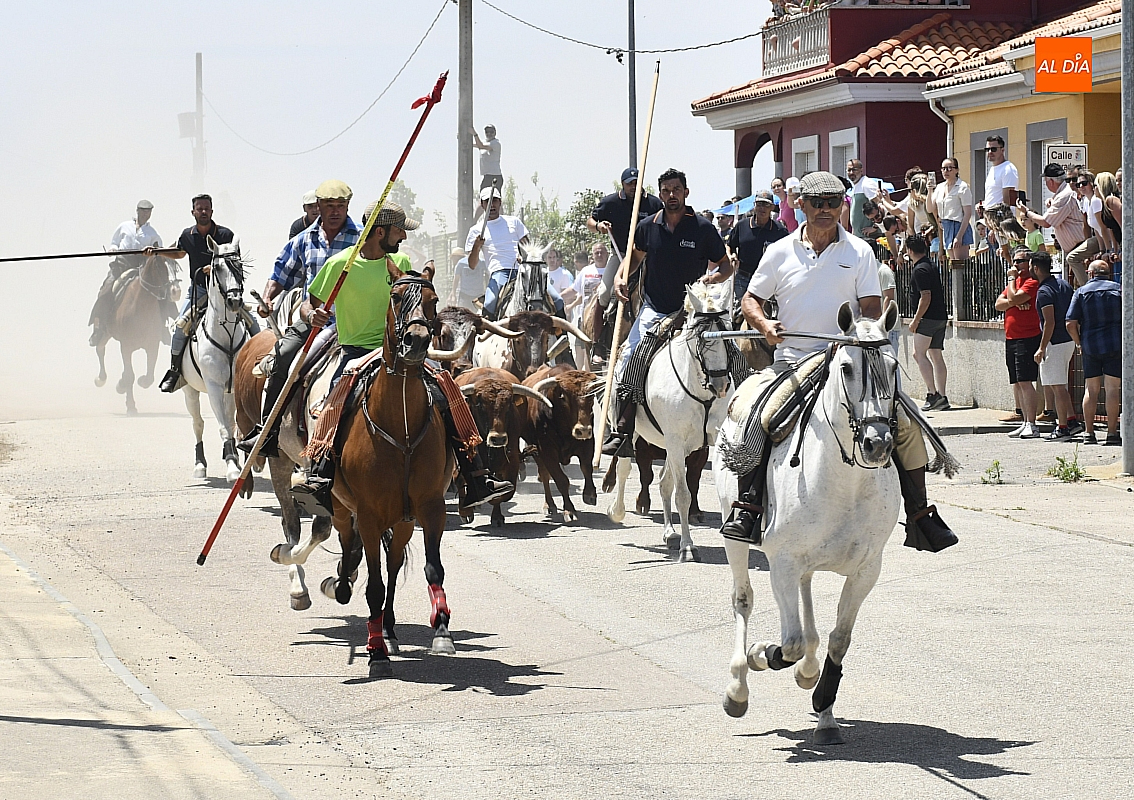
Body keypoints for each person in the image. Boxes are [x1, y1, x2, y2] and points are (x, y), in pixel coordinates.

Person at [720, 170, 956, 553]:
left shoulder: (860, 251)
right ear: (801, 205)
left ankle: (920, 515)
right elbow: (751, 299)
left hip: (845, 360)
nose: (825, 210)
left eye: (833, 203)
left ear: (842, 205)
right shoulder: (778, 251)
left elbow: (871, 308)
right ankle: (748, 506)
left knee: (908, 423)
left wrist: (855, 333)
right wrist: (764, 325)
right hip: (793, 360)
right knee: (758, 415)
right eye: (817, 203)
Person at [261, 201, 514, 517]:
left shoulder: (401, 262)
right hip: (353, 350)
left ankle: (476, 476)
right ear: (379, 232)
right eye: (398, 231)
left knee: (447, 389)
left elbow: (415, 302)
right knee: (332, 399)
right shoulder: (340, 265)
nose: (403, 238)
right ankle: (319, 475)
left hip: (399, 351)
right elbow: (308, 304)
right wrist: (312, 314)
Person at [601, 168, 732, 456]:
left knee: (729, 352)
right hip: (656, 309)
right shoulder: (648, 226)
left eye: (676, 189)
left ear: (686, 192)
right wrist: (620, 278)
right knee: (630, 357)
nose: (671, 195)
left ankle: (735, 422)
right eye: (666, 190)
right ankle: (623, 428)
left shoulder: (702, 228)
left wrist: (713, 278)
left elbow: (725, 265)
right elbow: (632, 260)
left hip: (693, 310)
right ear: (660, 195)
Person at [158, 194, 247, 393]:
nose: (203, 212)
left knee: (253, 323)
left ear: (212, 211)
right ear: (193, 212)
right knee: (180, 327)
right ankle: (175, 372)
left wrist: (214, 268)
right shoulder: (188, 235)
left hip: (226, 293)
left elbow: (236, 264)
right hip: (198, 291)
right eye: (199, 209)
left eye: (206, 208)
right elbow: (179, 253)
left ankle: (262, 362)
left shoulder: (226, 235)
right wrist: (157, 252)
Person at [263, 179, 361, 310]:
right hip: (311, 317)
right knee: (275, 330)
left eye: (341, 205)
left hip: (352, 322)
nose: (335, 212)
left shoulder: (362, 239)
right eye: (330, 206)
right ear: (319, 206)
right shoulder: (303, 239)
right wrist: (267, 298)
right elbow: (281, 274)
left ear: (347, 205)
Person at [89, 200, 164, 346]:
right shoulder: (124, 226)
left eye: (148, 211)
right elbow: (115, 242)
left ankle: (164, 328)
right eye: (143, 211)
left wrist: (152, 252)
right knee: (106, 289)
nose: (145, 214)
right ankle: (99, 327)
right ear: (137, 211)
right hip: (121, 265)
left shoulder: (153, 233)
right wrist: (112, 249)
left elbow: (159, 252)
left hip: (141, 268)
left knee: (162, 290)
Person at [1066, 259, 1122, 445]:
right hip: (1115, 344)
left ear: (1090, 273)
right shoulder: (1119, 289)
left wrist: (1079, 343)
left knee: (1091, 388)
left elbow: (1070, 323)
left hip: (1090, 345)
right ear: (1108, 273)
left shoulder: (1081, 292)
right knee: (1113, 388)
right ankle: (1112, 432)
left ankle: (1089, 433)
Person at [587, 167, 665, 303]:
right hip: (620, 254)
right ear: (622, 184)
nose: (633, 187)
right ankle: (596, 324)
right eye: (630, 183)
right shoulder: (610, 202)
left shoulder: (654, 204)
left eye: (637, 183)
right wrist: (598, 227)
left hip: (648, 256)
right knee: (604, 294)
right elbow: (590, 222)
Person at [1028, 251, 1078, 441]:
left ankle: (1063, 427)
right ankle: (1071, 421)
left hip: (1054, 342)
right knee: (1061, 385)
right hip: (1068, 340)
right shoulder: (1064, 284)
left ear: (1036, 268)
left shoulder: (1043, 291)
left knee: (1058, 387)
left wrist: (1041, 347)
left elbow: (1049, 322)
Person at [994, 247, 1042, 438]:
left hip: (1027, 337)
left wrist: (1012, 290)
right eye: (1014, 261)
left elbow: (1012, 297)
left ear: (1030, 263)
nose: (1015, 265)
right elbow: (999, 303)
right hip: (1011, 337)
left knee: (1026, 380)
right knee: (1018, 382)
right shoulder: (1017, 283)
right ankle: (1025, 421)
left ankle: (1032, 423)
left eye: (1020, 261)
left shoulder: (1031, 282)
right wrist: (1013, 301)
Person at [1018, 164, 1087, 286]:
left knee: (1083, 287)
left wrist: (1026, 212)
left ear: (1050, 181)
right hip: (1073, 249)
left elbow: (1046, 222)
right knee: (1074, 287)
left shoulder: (1064, 196)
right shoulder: (1061, 195)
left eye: (1046, 181)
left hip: (1078, 250)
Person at [906, 234, 950, 411]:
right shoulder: (930, 265)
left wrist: (916, 320)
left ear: (910, 251)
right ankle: (942, 395)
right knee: (936, 355)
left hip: (928, 318)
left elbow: (925, 296)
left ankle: (933, 394)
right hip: (940, 316)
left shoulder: (920, 269)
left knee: (919, 354)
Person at [726, 189, 787, 303]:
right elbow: (729, 245)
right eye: (759, 204)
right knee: (741, 312)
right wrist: (731, 255)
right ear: (754, 206)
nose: (762, 208)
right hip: (743, 278)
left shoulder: (780, 230)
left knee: (762, 315)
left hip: (768, 279)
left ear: (772, 207)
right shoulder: (741, 226)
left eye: (766, 205)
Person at [567, 242, 608, 368]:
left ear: (607, 254)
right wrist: (557, 297)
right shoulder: (586, 271)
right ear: (592, 255)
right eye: (596, 252)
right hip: (585, 318)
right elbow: (574, 290)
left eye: (602, 252)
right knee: (584, 350)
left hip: (607, 317)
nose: (599, 255)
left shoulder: (612, 271)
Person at [927, 158, 973, 266]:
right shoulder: (939, 187)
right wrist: (930, 190)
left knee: (960, 264)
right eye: (943, 169)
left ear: (956, 170)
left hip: (958, 225)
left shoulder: (962, 187)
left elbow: (967, 214)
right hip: (946, 226)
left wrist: (959, 236)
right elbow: (930, 208)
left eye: (949, 168)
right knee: (952, 264)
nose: (946, 171)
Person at [981, 135, 1019, 260]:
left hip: (1002, 225)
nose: (990, 152)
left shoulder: (1008, 169)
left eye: (993, 149)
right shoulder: (992, 169)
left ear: (1002, 150)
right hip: (991, 224)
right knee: (998, 268)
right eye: (987, 150)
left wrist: (996, 229)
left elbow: (1007, 202)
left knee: (1008, 261)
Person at [846, 158, 881, 238]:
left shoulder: (866, 184)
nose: (851, 172)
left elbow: (880, 206)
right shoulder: (856, 186)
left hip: (870, 237)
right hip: (859, 237)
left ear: (861, 170)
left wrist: (874, 227)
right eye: (849, 170)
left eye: (854, 170)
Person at [472, 124, 502, 192]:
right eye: (487, 132)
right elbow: (476, 144)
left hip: (495, 175)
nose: (489, 133)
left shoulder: (496, 143)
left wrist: (475, 134)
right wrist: (462, 138)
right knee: (483, 196)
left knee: (494, 199)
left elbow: (480, 146)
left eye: (491, 132)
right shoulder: (485, 142)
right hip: (487, 175)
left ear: (495, 133)